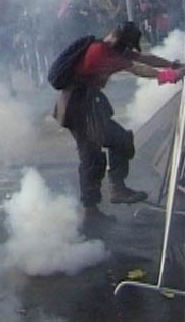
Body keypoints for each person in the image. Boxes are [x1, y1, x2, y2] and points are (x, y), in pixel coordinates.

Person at [53, 21, 184, 221]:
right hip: (78, 107)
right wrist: (169, 76)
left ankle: (112, 192)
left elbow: (144, 58)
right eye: (126, 46)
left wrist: (172, 65)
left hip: (89, 104)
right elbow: (137, 69)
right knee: (92, 157)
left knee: (118, 142)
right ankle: (93, 209)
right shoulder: (99, 52)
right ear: (118, 40)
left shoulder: (112, 49)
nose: (128, 50)